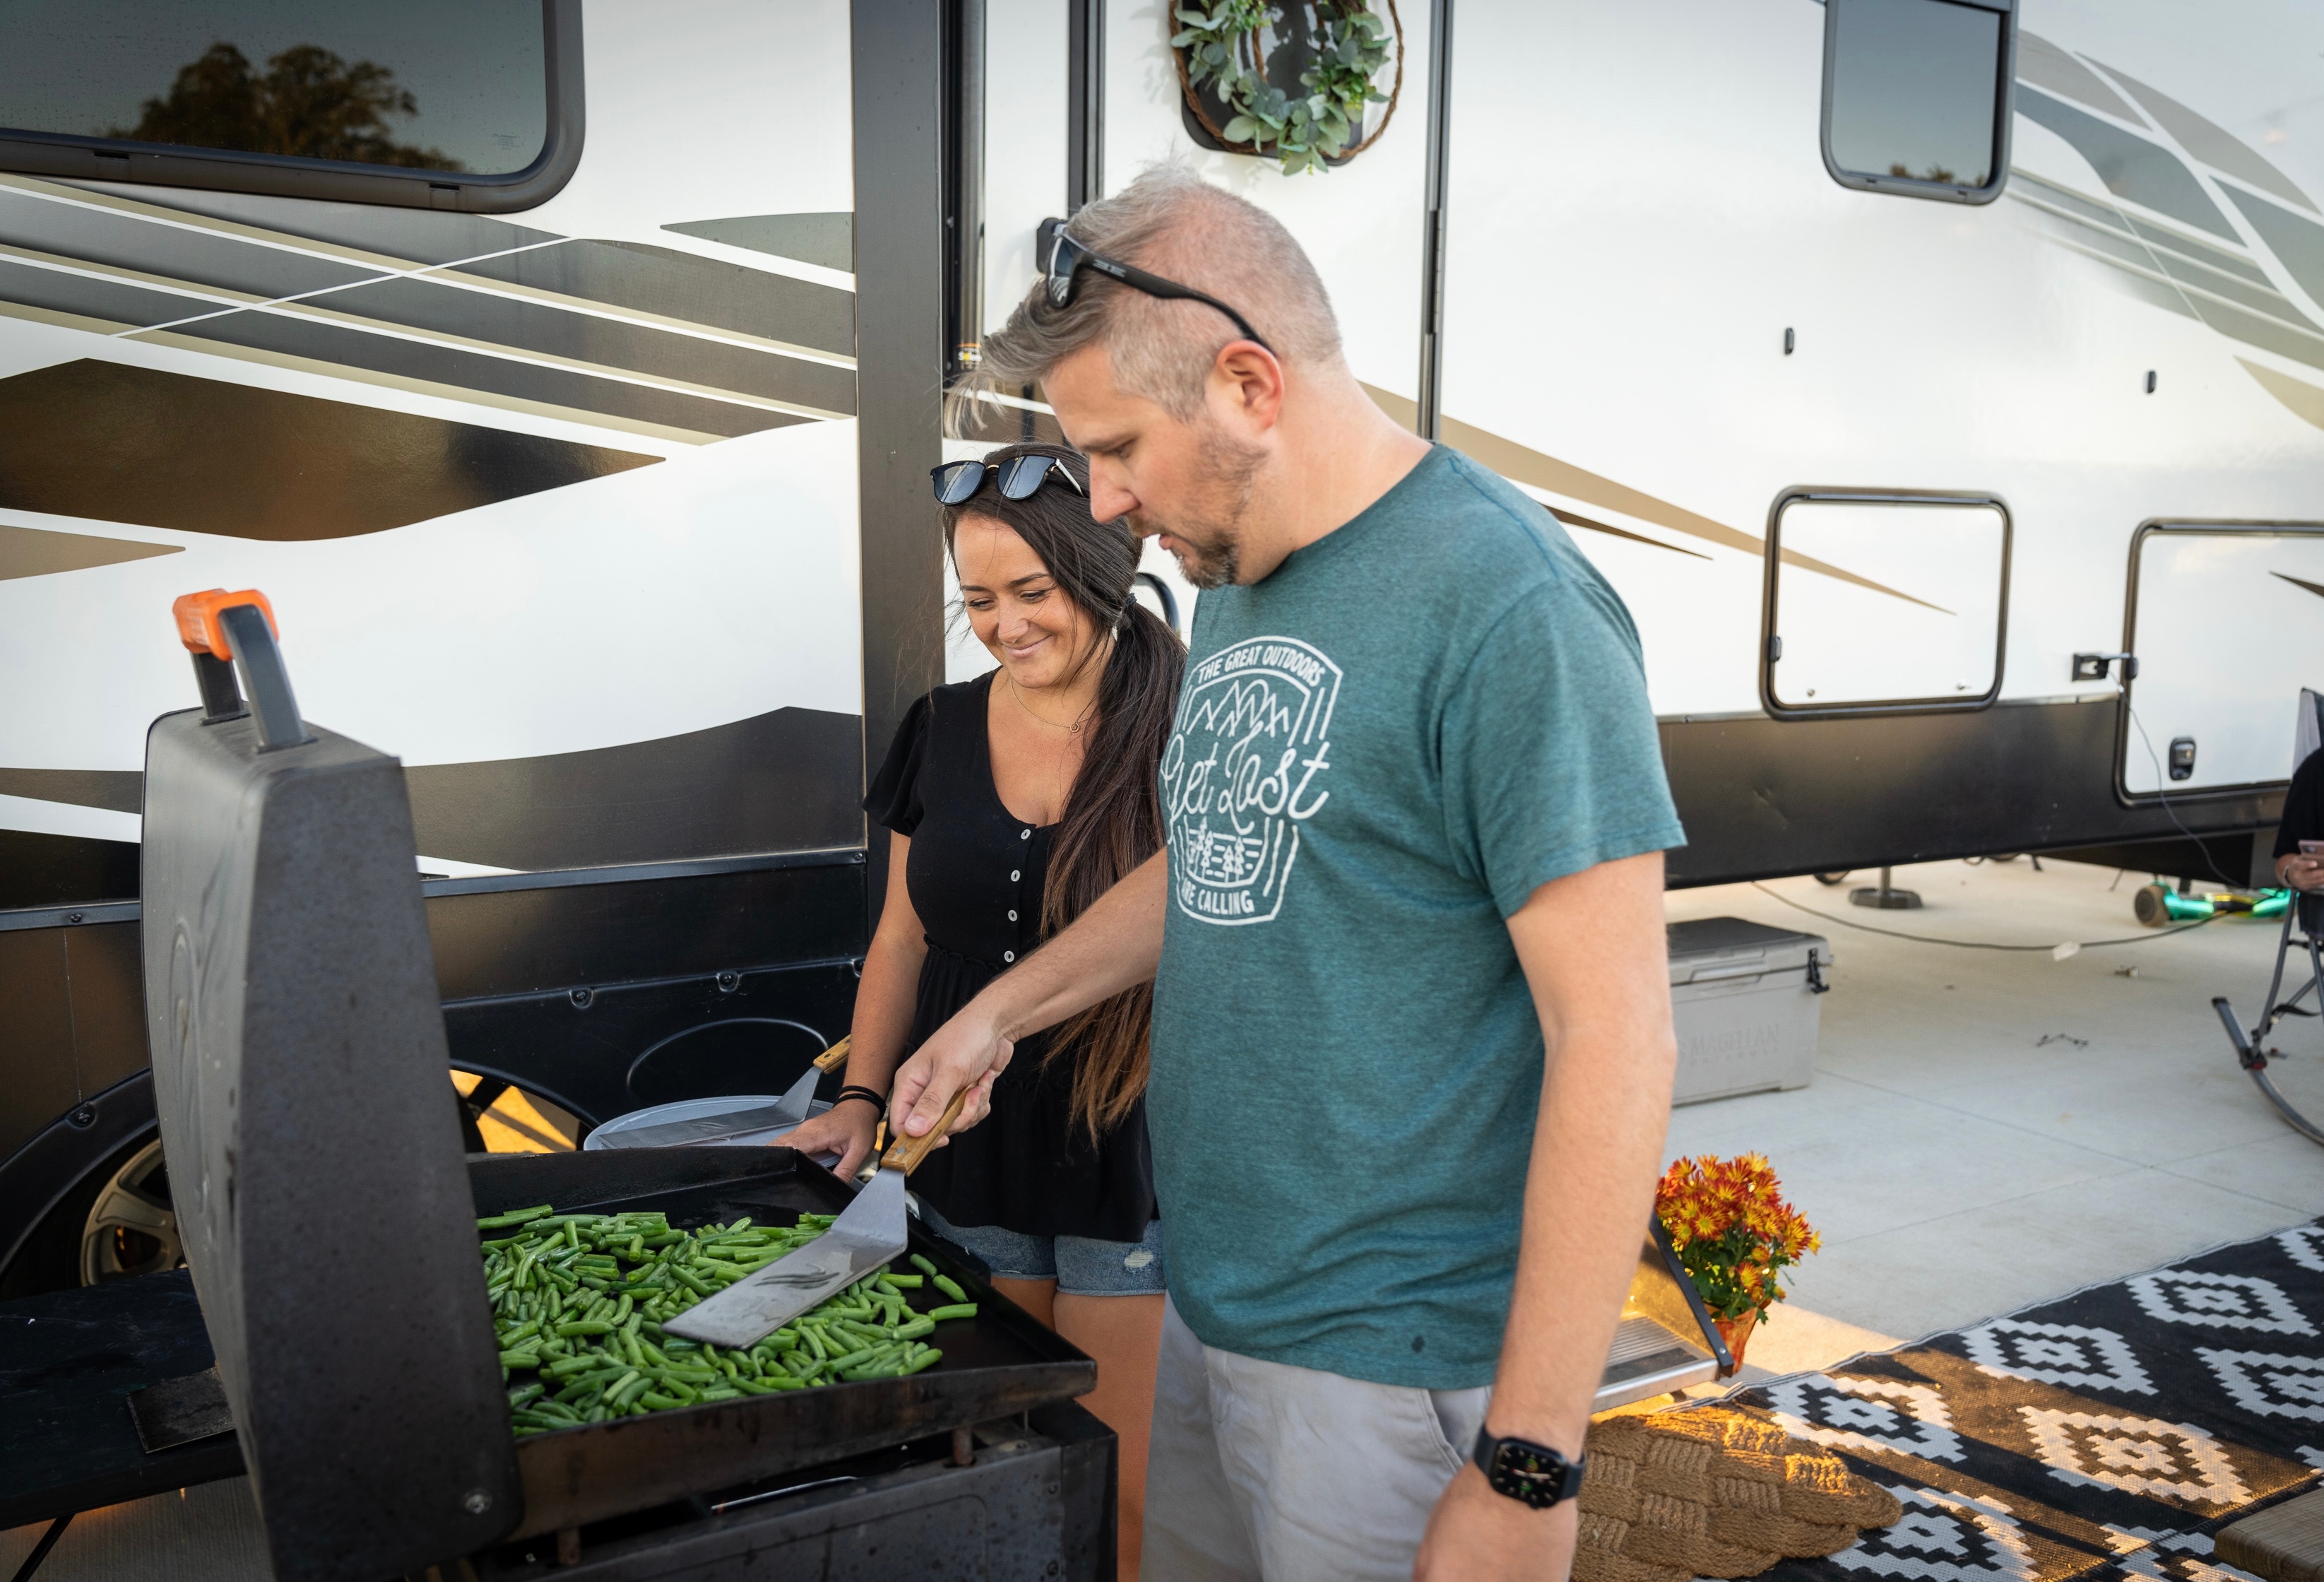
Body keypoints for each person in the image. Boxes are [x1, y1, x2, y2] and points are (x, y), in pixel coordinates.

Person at [886, 167, 1688, 1581]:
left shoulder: (1509, 605)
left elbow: (1616, 1041)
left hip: (1390, 1365)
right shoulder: (1239, 573)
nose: (1107, 501)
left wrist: (1528, 1466)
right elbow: (1219, 857)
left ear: (1248, 385)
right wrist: (999, 1012)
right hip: (1217, 1305)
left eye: (1118, 449)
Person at [779, 442, 1183, 1578]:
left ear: (1102, 571)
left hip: (1126, 1133)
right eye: (980, 600)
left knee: (1110, 1481)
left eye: (1031, 592)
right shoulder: (943, 725)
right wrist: (861, 1098)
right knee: (997, 1454)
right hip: (963, 1132)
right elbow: (902, 938)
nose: (1005, 624)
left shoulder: (1188, 720)